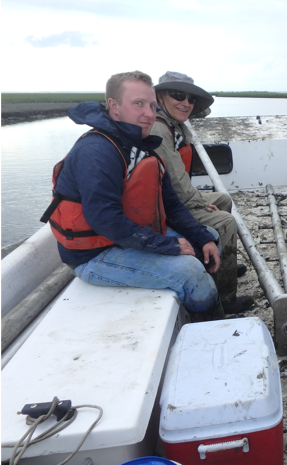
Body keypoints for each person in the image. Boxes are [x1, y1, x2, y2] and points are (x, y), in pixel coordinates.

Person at [42, 71, 223, 319]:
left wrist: (202, 238)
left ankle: (207, 300)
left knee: (210, 237)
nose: (149, 113)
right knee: (191, 271)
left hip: (126, 237)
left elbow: (171, 204)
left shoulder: (142, 146)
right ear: (114, 106)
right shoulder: (97, 151)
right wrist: (167, 245)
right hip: (94, 254)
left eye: (152, 105)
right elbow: (104, 218)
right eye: (138, 104)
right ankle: (209, 325)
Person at [152, 71, 252, 314]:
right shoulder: (159, 129)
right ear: (160, 96)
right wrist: (198, 204)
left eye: (190, 98)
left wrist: (198, 201)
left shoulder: (173, 124)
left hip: (173, 199)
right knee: (226, 222)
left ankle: (222, 261)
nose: (185, 103)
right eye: (177, 95)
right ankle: (226, 298)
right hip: (164, 208)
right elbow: (176, 182)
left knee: (222, 199)